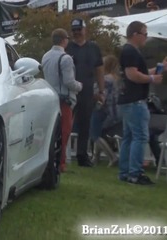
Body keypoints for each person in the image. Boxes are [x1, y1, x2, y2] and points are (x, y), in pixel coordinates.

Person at [117, 21, 167, 185]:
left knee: (129, 137)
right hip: (134, 101)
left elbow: (139, 72)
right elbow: (132, 75)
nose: (146, 37)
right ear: (135, 34)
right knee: (140, 137)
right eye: (145, 34)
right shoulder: (130, 52)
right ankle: (135, 173)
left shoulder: (131, 52)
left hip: (129, 100)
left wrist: (161, 68)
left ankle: (125, 172)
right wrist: (152, 78)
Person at [66, 18, 106, 167]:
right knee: (65, 123)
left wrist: (101, 90)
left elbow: (99, 70)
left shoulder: (93, 48)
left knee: (85, 125)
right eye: (74, 30)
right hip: (70, 91)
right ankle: (61, 154)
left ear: (85, 30)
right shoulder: (68, 47)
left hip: (87, 91)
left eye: (79, 29)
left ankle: (82, 156)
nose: (77, 33)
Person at [42, 28, 83, 172]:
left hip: (50, 97)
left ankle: (50, 160)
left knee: (52, 133)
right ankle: (60, 163)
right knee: (64, 132)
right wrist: (80, 86)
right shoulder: (66, 58)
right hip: (64, 99)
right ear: (64, 40)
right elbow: (69, 82)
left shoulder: (45, 56)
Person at [90, 55, 122, 166]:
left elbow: (102, 94)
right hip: (112, 110)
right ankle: (96, 157)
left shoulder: (106, 79)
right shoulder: (116, 79)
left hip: (102, 109)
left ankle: (112, 157)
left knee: (94, 134)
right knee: (99, 133)